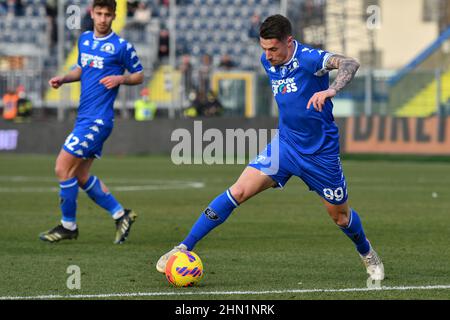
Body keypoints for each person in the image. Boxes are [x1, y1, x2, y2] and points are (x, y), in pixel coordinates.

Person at [156, 14, 384, 281]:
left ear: (289, 41)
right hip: (285, 146)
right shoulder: (268, 60)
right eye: (264, 48)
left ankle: (367, 252)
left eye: (273, 48)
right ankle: (182, 247)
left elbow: (350, 63)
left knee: (341, 218)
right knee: (238, 191)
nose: (268, 55)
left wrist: (331, 90)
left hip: (320, 153)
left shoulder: (309, 59)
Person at [40, 0, 144, 244]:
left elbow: (139, 75)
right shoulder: (85, 39)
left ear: (114, 16)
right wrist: (64, 78)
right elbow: (81, 68)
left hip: (98, 120)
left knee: (61, 167)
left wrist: (120, 79)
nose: (103, 19)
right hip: (84, 117)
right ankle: (121, 215)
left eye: (108, 14)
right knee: (80, 175)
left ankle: (68, 226)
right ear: (92, 13)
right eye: (99, 13)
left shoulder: (121, 46)